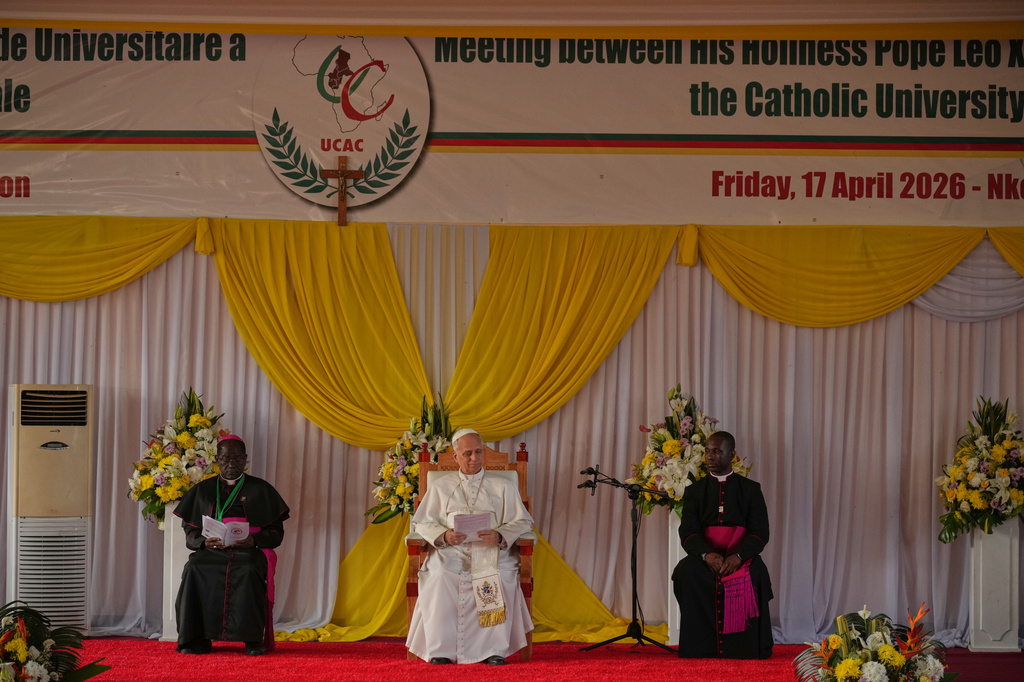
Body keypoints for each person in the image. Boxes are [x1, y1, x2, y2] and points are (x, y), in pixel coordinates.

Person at [406, 428, 534, 665]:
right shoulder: (440, 486)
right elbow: (422, 521)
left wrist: (499, 535)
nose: (474, 458)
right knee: (440, 575)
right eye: (467, 453)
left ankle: (492, 650)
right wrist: (444, 535)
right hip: (450, 551)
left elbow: (523, 520)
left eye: (478, 452)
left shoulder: (503, 485)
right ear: (456, 457)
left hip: (490, 551)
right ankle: (441, 650)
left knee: (493, 575)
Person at [174, 434, 290, 656]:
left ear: (245, 459)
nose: (231, 463)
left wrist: (254, 540)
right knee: (194, 568)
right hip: (213, 551)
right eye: (225, 458)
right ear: (216, 459)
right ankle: (196, 639)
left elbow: (276, 533)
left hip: (248, 552)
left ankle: (252, 639)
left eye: (237, 458)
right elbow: (190, 533)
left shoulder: (261, 489)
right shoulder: (203, 490)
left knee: (248, 570)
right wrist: (204, 542)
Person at [671, 430, 774, 659]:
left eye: (717, 451)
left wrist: (738, 556)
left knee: (757, 572)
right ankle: (699, 646)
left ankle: (746, 648)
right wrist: (706, 554)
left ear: (732, 455)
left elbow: (760, 533)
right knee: (685, 572)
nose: (710, 456)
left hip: (740, 557)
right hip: (706, 558)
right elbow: (688, 532)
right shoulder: (694, 491)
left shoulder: (750, 490)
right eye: (707, 451)